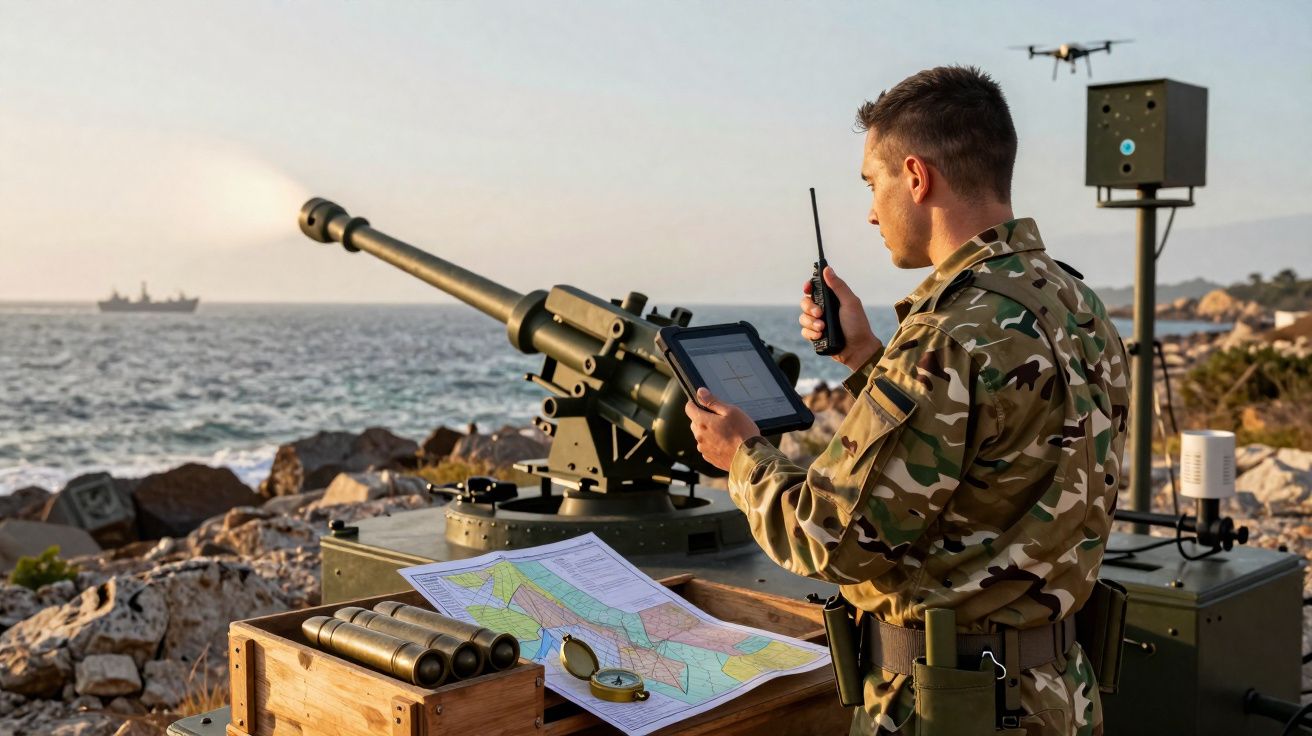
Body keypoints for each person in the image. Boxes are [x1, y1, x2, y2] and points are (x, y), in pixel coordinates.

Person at [686, 65, 1128, 735]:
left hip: (957, 705)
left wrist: (741, 456)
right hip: (1059, 694)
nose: (869, 211)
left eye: (873, 183)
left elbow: (828, 539)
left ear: (916, 178)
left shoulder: (947, 337)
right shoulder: (1078, 306)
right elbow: (985, 456)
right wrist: (866, 357)